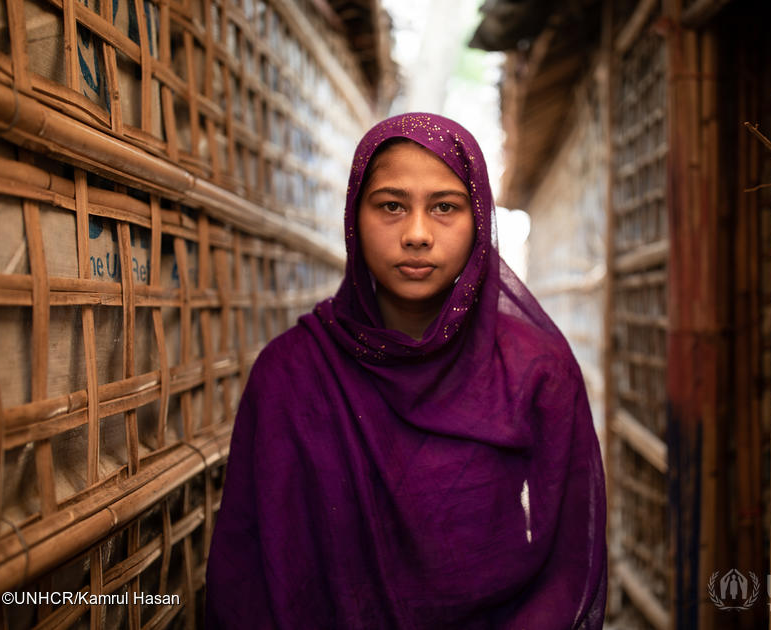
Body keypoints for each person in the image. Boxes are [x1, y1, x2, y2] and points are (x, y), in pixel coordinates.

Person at [204, 113, 607, 629]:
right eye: (391, 206)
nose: (417, 235)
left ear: (479, 220)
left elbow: (572, 558)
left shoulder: (534, 371)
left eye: (444, 207)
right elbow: (247, 568)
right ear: (355, 215)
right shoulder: (293, 373)